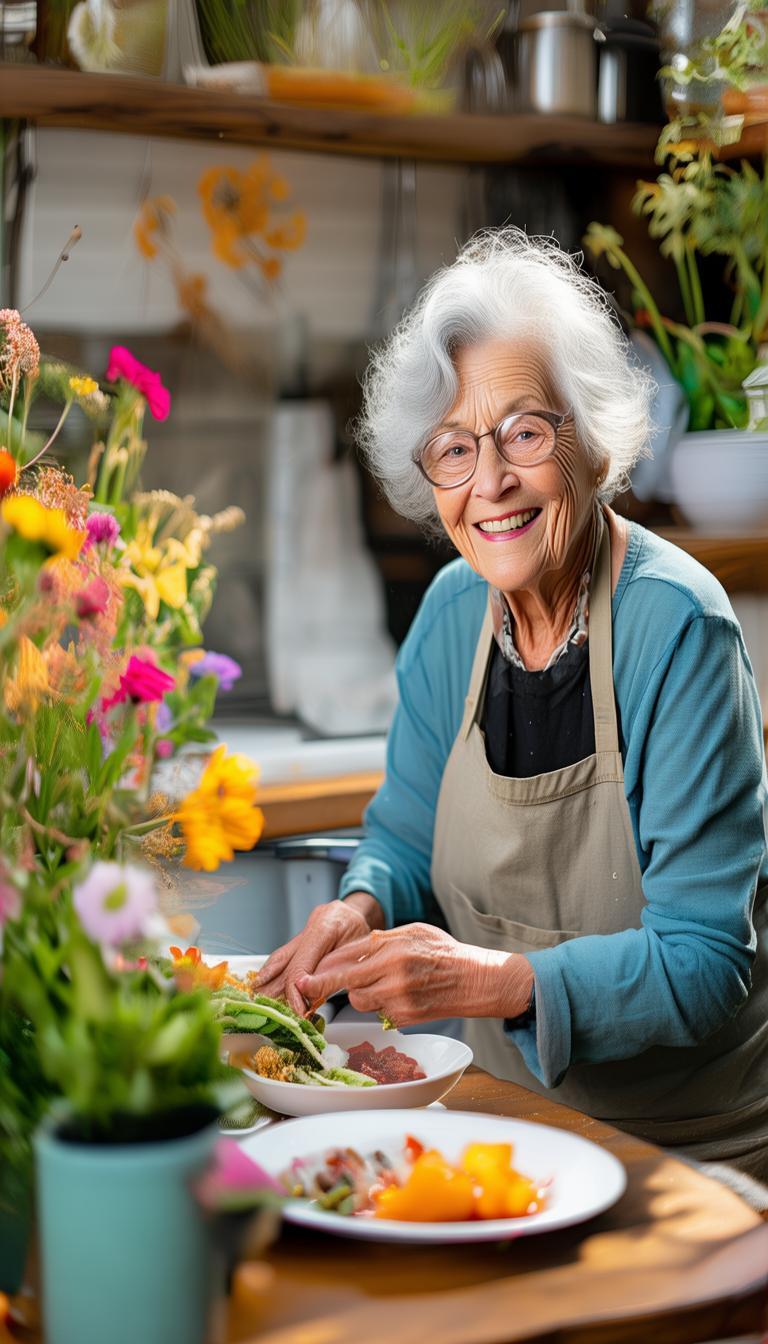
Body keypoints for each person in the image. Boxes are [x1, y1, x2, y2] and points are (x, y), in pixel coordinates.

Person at [259, 229, 768, 1180]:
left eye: (525, 432)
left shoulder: (680, 630)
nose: (489, 482)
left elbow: (705, 962)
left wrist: (496, 981)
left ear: (590, 433)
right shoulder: (452, 616)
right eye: (454, 448)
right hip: (498, 1133)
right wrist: (361, 907)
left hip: (689, 1156)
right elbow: (407, 837)